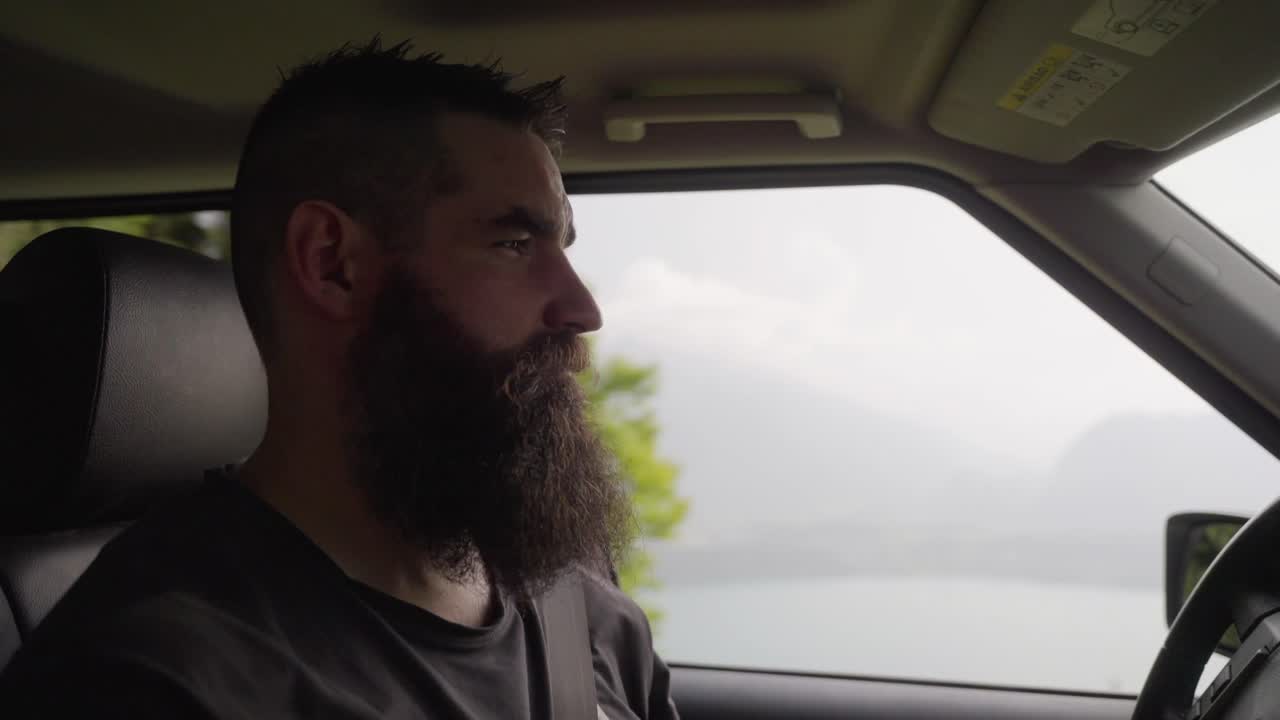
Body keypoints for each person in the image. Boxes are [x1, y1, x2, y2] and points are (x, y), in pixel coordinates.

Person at [0, 39, 678, 719]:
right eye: (513, 243)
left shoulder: (573, 597)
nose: (583, 309)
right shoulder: (148, 681)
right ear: (331, 264)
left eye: (561, 247)